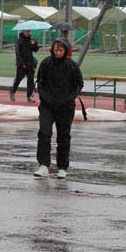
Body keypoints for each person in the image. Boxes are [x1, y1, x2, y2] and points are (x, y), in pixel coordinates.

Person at [33, 39, 84, 179]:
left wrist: (68, 99)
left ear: (65, 51)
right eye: (56, 50)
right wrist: (46, 98)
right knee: (44, 133)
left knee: (64, 136)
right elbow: (40, 83)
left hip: (65, 107)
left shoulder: (72, 66)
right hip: (47, 106)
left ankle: (62, 167)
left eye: (61, 50)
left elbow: (79, 84)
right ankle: (43, 165)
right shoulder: (46, 63)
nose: (58, 53)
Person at [10, 29, 39, 102]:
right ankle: (13, 91)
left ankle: (29, 97)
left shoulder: (31, 40)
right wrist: (22, 63)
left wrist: (34, 44)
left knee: (30, 80)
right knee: (18, 79)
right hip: (21, 64)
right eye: (26, 31)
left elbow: (35, 49)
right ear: (23, 31)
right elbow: (17, 53)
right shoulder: (20, 40)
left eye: (29, 31)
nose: (28, 32)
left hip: (30, 63)